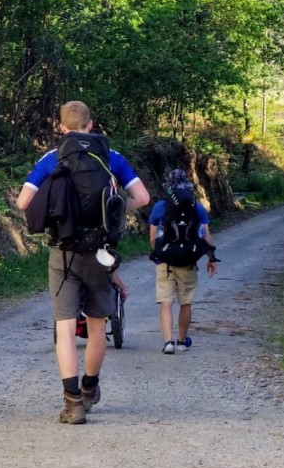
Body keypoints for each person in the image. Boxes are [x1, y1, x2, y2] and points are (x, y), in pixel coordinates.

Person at [17, 101, 148, 424]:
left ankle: (72, 401)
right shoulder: (110, 157)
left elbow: (24, 202)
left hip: (64, 250)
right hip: (100, 252)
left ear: (61, 127)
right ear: (91, 125)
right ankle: (90, 387)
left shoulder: (52, 158)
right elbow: (143, 198)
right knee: (97, 325)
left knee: (64, 329)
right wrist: (114, 213)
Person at [149, 168, 218, 355]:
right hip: (188, 260)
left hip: (165, 261)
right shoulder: (196, 206)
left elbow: (153, 238)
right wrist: (211, 258)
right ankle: (181, 341)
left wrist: (160, 253)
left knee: (165, 302)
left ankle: (168, 342)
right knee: (185, 302)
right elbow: (205, 235)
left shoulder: (160, 206)